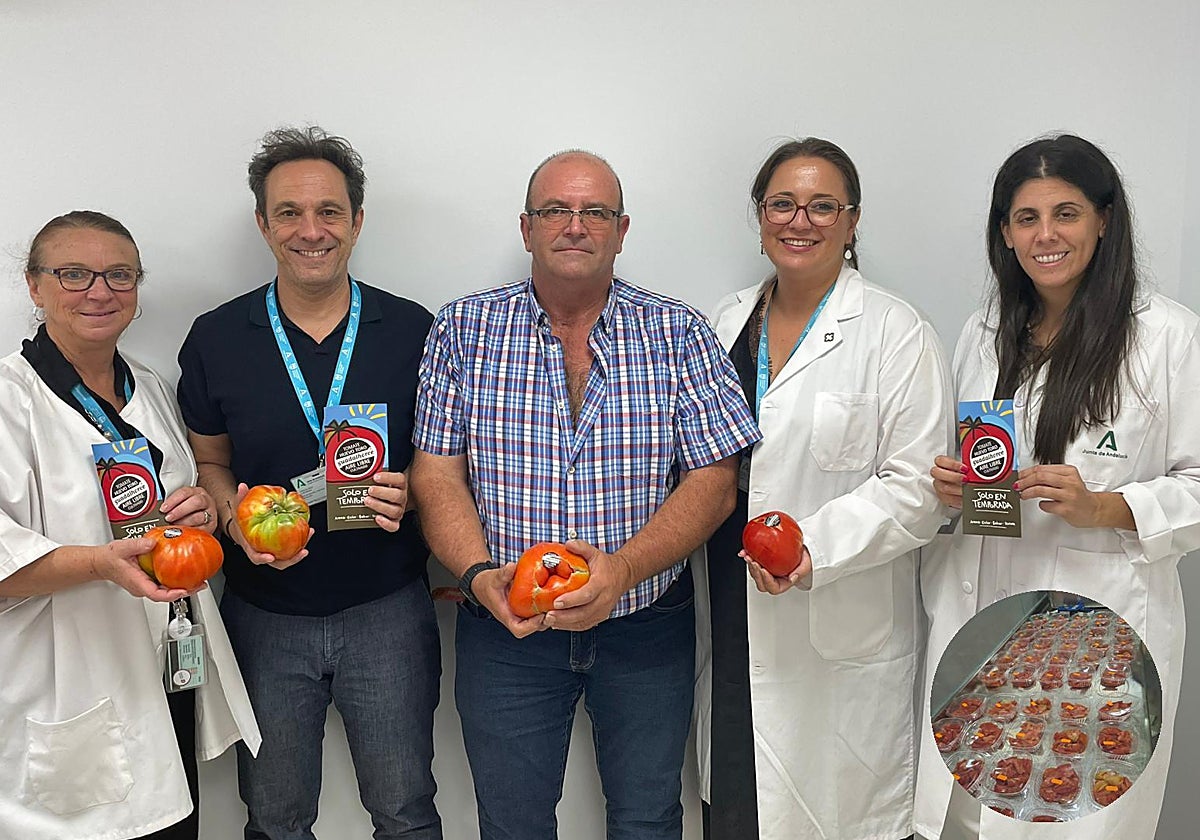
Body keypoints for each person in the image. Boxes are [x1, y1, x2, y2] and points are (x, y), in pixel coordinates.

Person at [410, 149, 760, 840]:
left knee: (649, 820)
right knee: (511, 825)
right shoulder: (462, 328)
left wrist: (622, 571)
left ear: (621, 230)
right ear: (526, 227)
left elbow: (716, 482)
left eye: (594, 211)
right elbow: (436, 474)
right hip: (505, 624)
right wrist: (480, 577)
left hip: (646, 623)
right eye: (556, 211)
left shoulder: (678, 331)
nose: (575, 226)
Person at [914, 134, 1200, 839]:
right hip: (986, 622)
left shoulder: (1166, 337)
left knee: (1080, 815)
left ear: (1105, 219)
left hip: (1100, 630)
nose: (1045, 235)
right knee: (988, 813)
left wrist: (1105, 505)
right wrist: (956, 485)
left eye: (1066, 213)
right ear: (1005, 234)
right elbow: (977, 462)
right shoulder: (984, 332)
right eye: (1025, 218)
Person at [176, 127, 441, 840]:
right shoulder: (217, 336)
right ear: (263, 223)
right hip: (263, 615)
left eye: (329, 211)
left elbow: (449, 459)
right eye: (289, 212)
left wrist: (413, 487)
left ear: (357, 220)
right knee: (275, 816)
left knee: (406, 811)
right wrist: (233, 521)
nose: (311, 230)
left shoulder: (416, 330)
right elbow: (210, 462)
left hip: (387, 608)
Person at [694, 138, 952, 840]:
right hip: (732, 604)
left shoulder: (897, 334)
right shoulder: (723, 323)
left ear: (853, 220)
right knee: (739, 808)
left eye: (822, 206)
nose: (799, 220)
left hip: (836, 616)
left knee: (837, 815)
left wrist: (814, 549)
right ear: (759, 216)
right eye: (782, 203)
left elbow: (919, 489)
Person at [0, 211, 259, 840]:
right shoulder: (9, 398)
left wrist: (197, 508)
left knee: (171, 822)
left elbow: (174, 503)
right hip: (67, 680)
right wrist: (98, 562)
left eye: (119, 275)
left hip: (167, 670)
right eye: (73, 274)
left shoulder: (149, 387)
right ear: (35, 287)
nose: (99, 291)